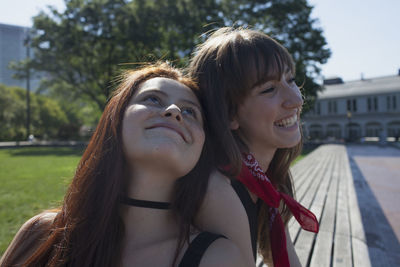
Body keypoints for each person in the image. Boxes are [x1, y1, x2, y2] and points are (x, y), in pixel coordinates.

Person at [0, 63, 245, 267]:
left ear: (201, 146)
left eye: (190, 111)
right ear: (114, 121)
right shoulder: (40, 234)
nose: (173, 110)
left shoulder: (218, 258)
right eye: (153, 99)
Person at [189, 27, 319, 267]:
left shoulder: (264, 179)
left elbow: (279, 255)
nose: (297, 100)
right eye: (269, 89)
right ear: (228, 113)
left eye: (290, 80)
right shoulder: (218, 191)